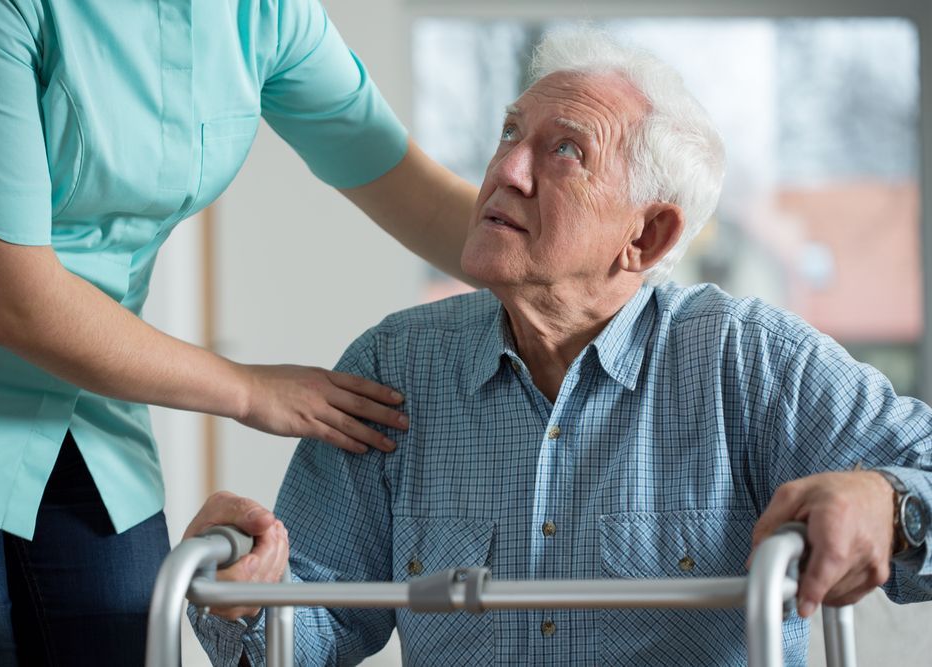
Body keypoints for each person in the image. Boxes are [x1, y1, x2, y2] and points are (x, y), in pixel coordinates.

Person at [186, 25, 932, 666]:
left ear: (648, 235)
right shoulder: (396, 367)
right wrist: (247, 597)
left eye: (565, 150)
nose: (506, 171)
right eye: (510, 134)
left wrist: (888, 504)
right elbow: (313, 627)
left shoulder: (747, 359)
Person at [0, 0, 477, 665]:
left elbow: (419, 197)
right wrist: (248, 390)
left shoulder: (265, 15)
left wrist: (583, 264)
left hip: (89, 407)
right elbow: (16, 303)